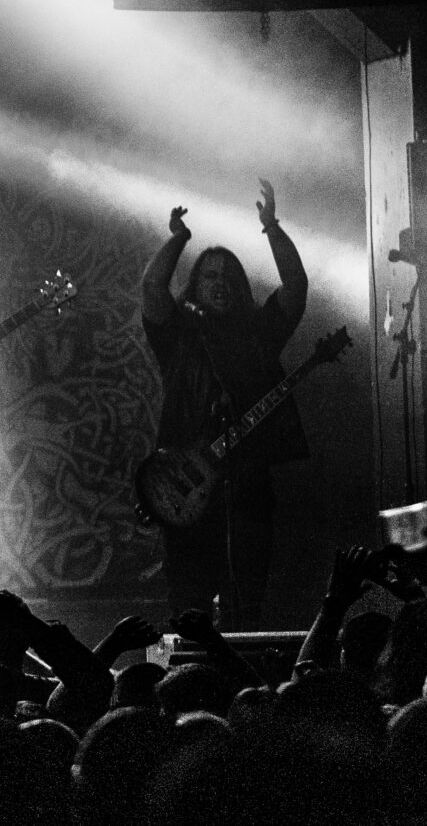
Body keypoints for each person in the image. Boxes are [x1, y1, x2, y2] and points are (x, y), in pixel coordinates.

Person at [140, 180, 309, 628]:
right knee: (189, 602)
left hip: (246, 489)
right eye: (210, 276)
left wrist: (272, 227)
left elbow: (295, 285)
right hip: (185, 487)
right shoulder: (178, 334)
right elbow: (153, 287)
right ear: (195, 286)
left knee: (246, 600)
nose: (220, 284)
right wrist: (179, 239)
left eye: (229, 277)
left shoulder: (259, 335)